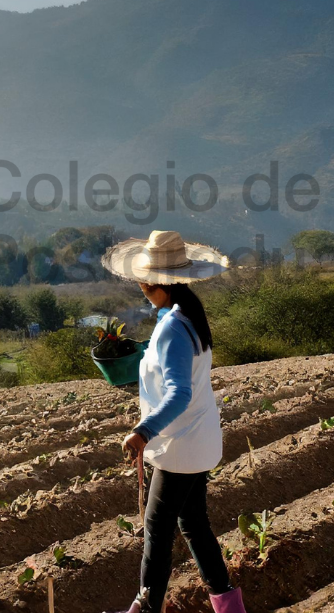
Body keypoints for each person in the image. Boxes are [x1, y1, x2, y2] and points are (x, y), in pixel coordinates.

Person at [100, 230, 245, 613]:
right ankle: (230, 607)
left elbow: (178, 393)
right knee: (194, 524)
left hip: (178, 448)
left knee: (157, 531)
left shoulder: (172, 328)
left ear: (157, 283)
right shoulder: (187, 317)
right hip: (198, 441)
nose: (141, 285)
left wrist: (142, 431)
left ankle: (146, 609)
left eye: (144, 280)